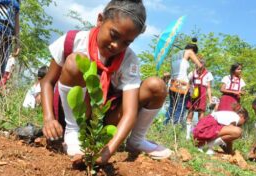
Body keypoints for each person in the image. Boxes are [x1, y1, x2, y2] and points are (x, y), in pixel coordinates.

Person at [41, 0, 172, 165]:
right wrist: (48, 119)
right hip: (74, 114)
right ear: (100, 20)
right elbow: (47, 82)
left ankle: (136, 141)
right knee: (76, 62)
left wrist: (108, 151)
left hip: (104, 121)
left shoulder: (129, 60)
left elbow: (129, 113)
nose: (116, 45)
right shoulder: (74, 41)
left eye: (126, 42)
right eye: (114, 35)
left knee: (157, 86)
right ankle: (73, 132)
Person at [165, 38, 203, 125]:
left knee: (172, 105)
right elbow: (200, 66)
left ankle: (166, 124)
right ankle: (176, 125)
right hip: (182, 82)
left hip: (173, 81)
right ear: (194, 50)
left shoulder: (174, 55)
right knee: (180, 106)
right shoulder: (190, 52)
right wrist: (197, 59)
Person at [185, 58, 213, 140]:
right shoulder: (192, 73)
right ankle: (187, 135)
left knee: (201, 114)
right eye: (197, 65)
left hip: (202, 94)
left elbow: (208, 87)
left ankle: (198, 134)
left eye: (200, 66)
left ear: (204, 66)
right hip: (193, 94)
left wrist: (210, 99)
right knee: (190, 112)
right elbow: (189, 83)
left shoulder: (208, 74)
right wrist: (187, 92)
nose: (198, 68)